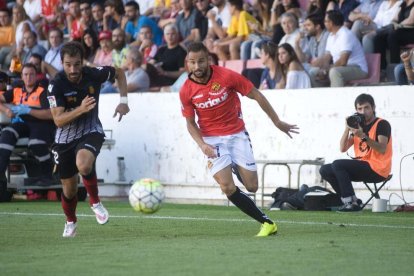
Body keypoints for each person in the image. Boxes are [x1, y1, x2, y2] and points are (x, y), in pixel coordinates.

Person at [179, 42, 299, 236]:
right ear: (187, 63)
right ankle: (266, 222)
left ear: (208, 59)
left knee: (252, 186)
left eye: (201, 61)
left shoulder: (226, 76)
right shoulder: (186, 90)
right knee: (227, 186)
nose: (197, 66)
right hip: (212, 140)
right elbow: (190, 123)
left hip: (236, 135)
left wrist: (276, 121)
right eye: (192, 62)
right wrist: (202, 145)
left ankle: (233, 164)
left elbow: (257, 95)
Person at [47, 41, 130, 237]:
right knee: (69, 189)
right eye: (68, 64)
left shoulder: (94, 73)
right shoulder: (55, 85)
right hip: (64, 139)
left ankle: (95, 201)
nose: (73, 69)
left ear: (82, 61)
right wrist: (81, 109)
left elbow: (119, 73)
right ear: (62, 63)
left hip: (91, 130)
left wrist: (124, 101)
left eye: (77, 64)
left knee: (83, 165)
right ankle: (71, 221)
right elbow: (58, 120)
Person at [319, 93, 392, 212]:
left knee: (338, 164)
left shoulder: (382, 124)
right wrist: (347, 128)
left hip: (378, 169)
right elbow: (343, 148)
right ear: (356, 110)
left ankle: (350, 202)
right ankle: (353, 201)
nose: (363, 112)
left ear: (373, 108)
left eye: (367, 108)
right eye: (360, 108)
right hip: (363, 166)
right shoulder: (358, 126)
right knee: (325, 170)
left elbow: (382, 149)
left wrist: (363, 136)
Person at [0, 63, 56, 202]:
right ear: (21, 76)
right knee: (6, 134)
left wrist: (29, 110)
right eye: (25, 74)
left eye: (31, 74)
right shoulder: (16, 90)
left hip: (41, 123)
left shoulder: (43, 91)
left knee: (36, 144)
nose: (28, 77)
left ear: (36, 76)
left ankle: (47, 176)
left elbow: (50, 114)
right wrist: (5, 110)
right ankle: (1, 176)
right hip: (21, 124)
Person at [315, 10, 368, 87]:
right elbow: (327, 57)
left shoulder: (345, 34)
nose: (324, 24)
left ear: (331, 23)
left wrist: (326, 70)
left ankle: (336, 97)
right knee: (313, 72)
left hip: (358, 69)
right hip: (343, 68)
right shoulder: (330, 36)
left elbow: (343, 61)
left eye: (326, 21)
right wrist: (321, 69)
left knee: (334, 72)